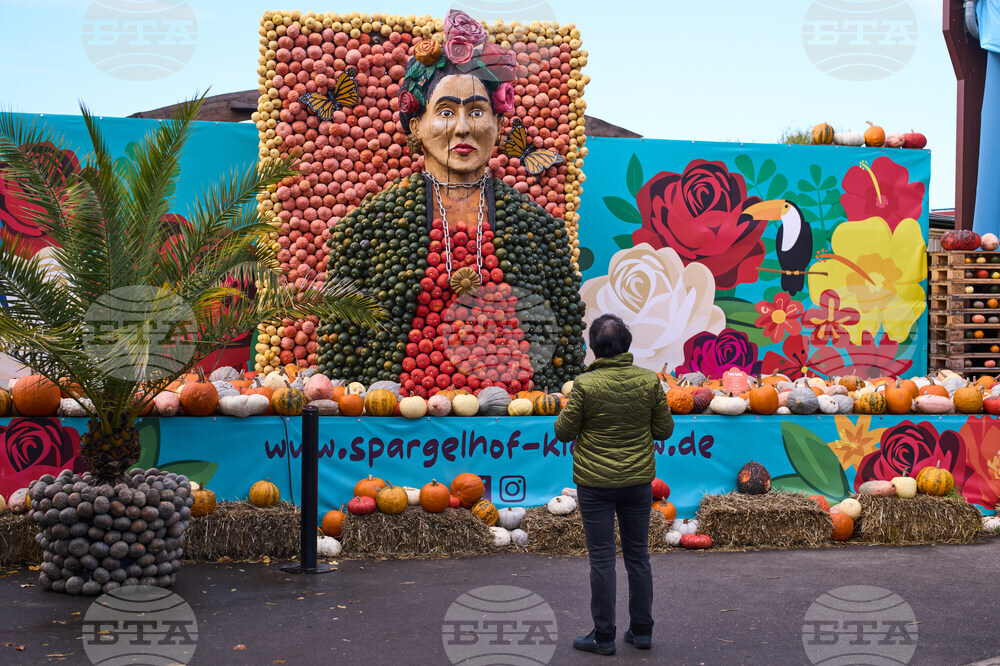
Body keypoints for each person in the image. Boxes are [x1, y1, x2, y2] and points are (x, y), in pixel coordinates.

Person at [318, 10, 586, 395]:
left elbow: (564, 340)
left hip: (511, 423)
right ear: (417, 127)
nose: (463, 127)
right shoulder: (365, 229)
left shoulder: (541, 231)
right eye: (446, 112)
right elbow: (340, 344)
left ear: (497, 125)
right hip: (400, 424)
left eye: (477, 111)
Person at [554, 313, 674, 655]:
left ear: (593, 349)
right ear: (627, 346)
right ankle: (642, 631)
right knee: (638, 556)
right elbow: (664, 430)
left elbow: (563, 431)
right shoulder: (649, 381)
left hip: (595, 483)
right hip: (638, 482)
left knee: (602, 559)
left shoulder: (586, 385)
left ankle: (604, 636)